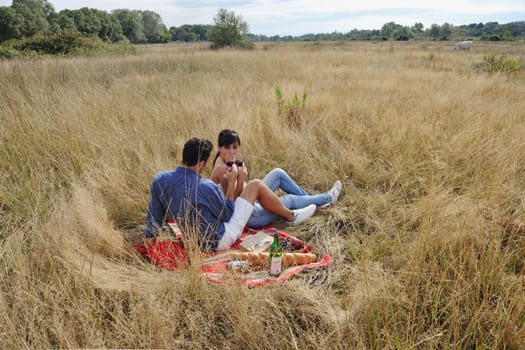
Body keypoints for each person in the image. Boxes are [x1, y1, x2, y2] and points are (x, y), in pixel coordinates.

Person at [143, 137, 317, 251]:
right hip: (219, 239)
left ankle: (290, 206)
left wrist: (149, 241)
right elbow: (227, 214)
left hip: (194, 240)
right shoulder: (204, 187)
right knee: (256, 185)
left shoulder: (160, 180)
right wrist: (236, 181)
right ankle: (290, 216)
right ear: (202, 163)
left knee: (239, 181)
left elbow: (155, 215)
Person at [211, 129, 342, 228]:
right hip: (250, 215)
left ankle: (309, 199)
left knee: (278, 173)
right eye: (226, 148)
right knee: (289, 200)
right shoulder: (221, 169)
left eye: (235, 147)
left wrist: (239, 174)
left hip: (251, 200)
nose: (231, 152)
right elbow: (232, 202)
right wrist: (240, 178)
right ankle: (328, 197)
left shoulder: (229, 162)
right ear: (219, 148)